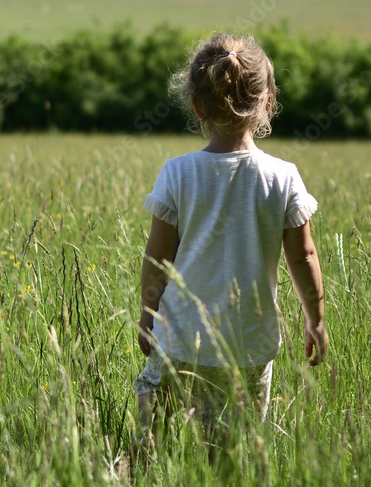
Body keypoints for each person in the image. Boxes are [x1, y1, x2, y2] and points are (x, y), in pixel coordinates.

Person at [134, 32, 328, 455]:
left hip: (180, 339)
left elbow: (157, 257)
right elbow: (304, 256)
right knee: (234, 450)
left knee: (154, 442)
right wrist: (315, 318)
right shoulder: (283, 178)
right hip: (249, 345)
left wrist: (148, 314)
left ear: (197, 106)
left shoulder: (177, 173)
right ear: (268, 103)